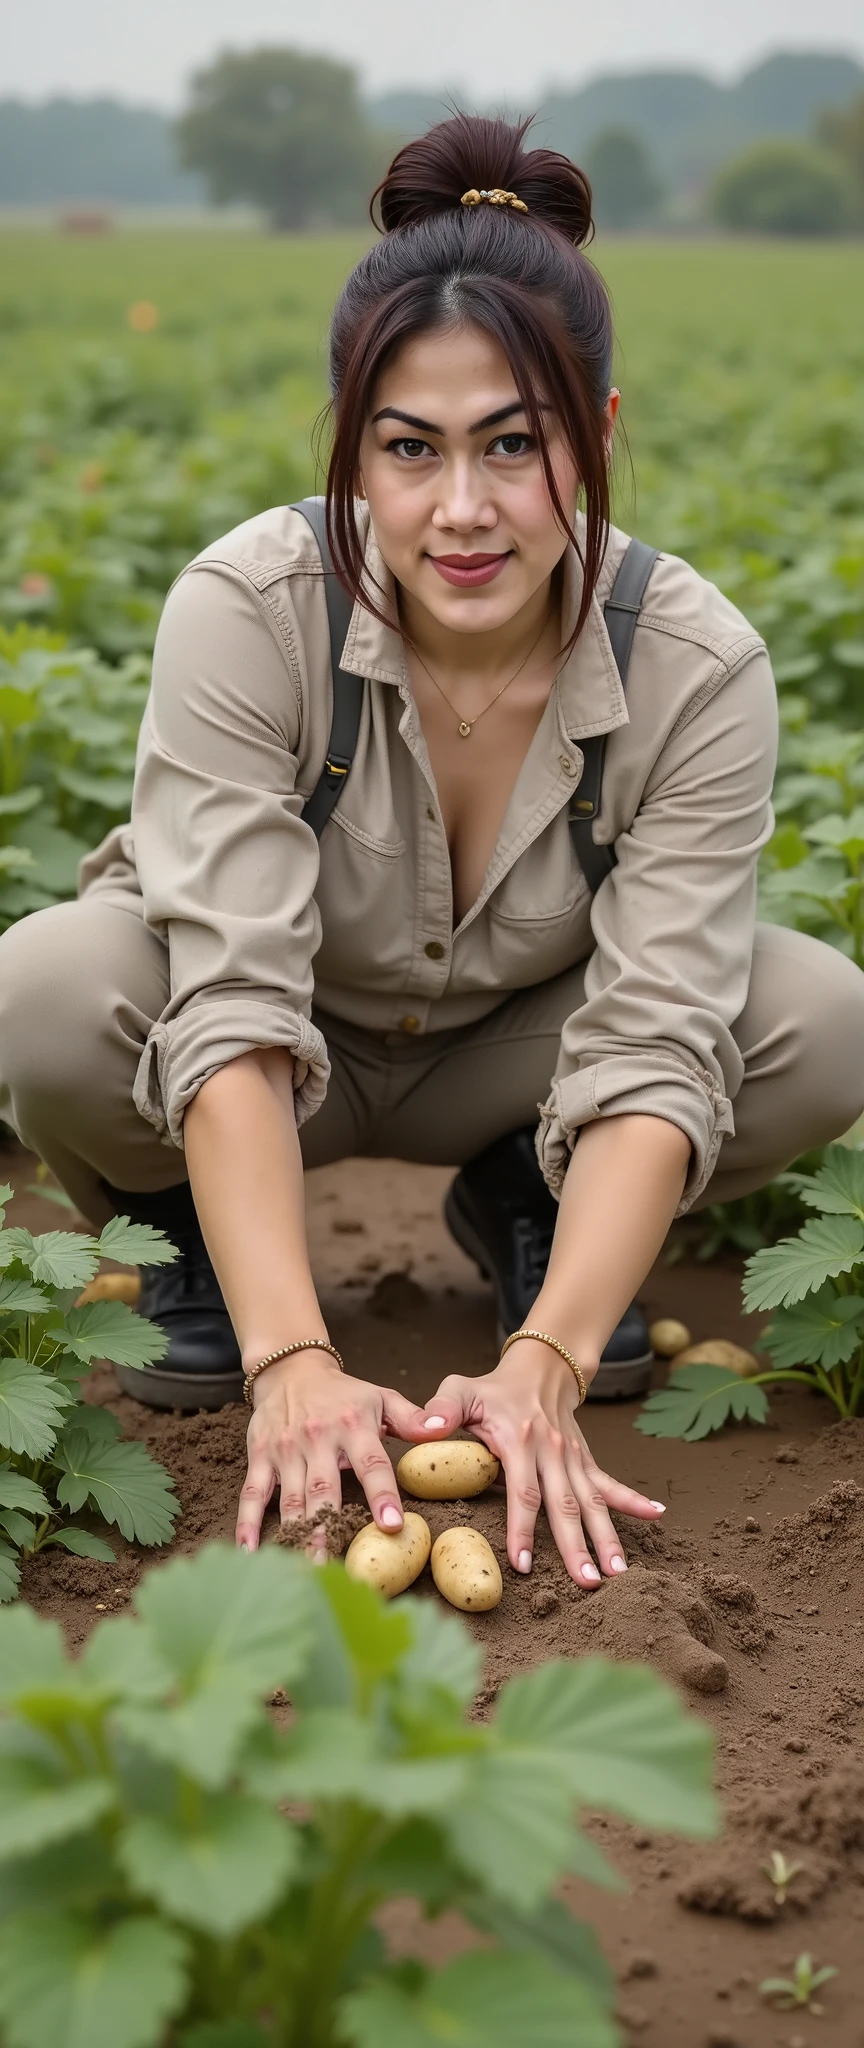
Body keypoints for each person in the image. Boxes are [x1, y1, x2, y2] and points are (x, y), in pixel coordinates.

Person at [1, 114, 862, 1588]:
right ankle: (198, 1243)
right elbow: (227, 996)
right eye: (409, 449)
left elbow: (659, 1031)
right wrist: (293, 1359)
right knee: (46, 988)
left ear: (592, 429)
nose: (461, 511)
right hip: (291, 1051)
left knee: (821, 1024)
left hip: (522, 1055)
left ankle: (532, 1203)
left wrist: (548, 1363)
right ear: (350, 441)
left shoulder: (696, 663)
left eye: (514, 446)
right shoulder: (250, 609)